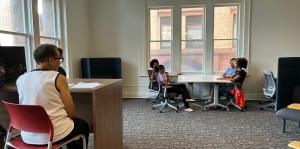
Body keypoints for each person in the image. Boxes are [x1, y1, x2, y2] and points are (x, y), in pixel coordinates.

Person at [16, 44, 89, 149]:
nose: (60, 62)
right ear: (50, 60)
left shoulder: (21, 79)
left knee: (69, 126)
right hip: (52, 134)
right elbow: (71, 113)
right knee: (82, 125)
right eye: (59, 58)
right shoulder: (58, 77)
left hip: (27, 134)